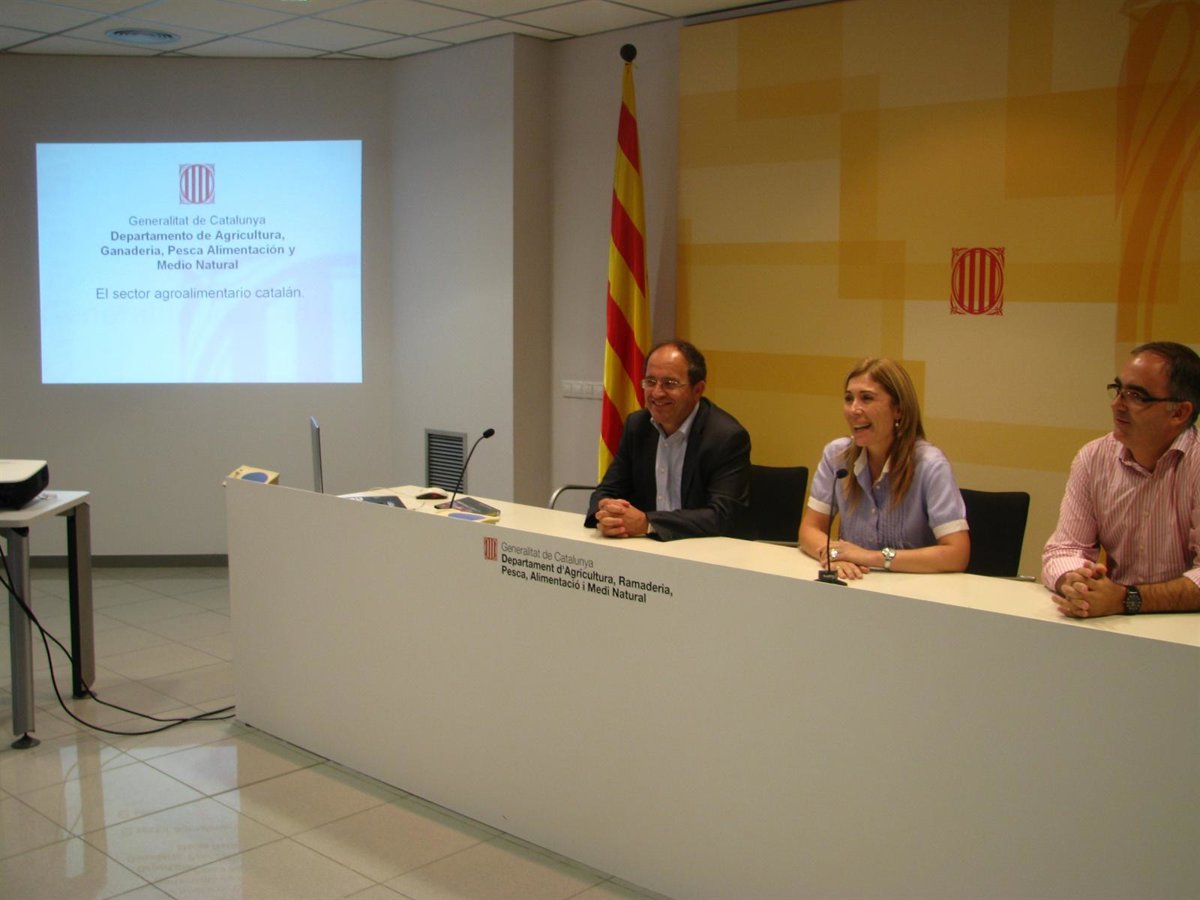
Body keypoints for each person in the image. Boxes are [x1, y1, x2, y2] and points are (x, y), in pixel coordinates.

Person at [1042, 341, 1200, 618]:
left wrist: (1127, 599)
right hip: (1114, 623)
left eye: (1136, 396)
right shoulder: (1094, 458)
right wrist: (1077, 582)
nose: (1116, 404)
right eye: (1118, 390)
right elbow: (1065, 549)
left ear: (1179, 412)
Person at [798, 357, 969, 579]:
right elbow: (809, 530)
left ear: (898, 410)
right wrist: (834, 555)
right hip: (853, 584)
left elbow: (956, 553)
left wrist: (871, 557)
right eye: (849, 398)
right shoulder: (837, 456)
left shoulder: (930, 466)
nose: (854, 409)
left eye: (867, 398)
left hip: (913, 591)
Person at [586, 340, 751, 541]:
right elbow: (608, 489)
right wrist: (607, 511)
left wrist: (648, 523)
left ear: (698, 390)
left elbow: (722, 516)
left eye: (669, 383)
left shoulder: (725, 437)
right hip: (645, 547)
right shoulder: (637, 426)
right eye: (650, 381)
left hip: (702, 549)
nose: (657, 393)